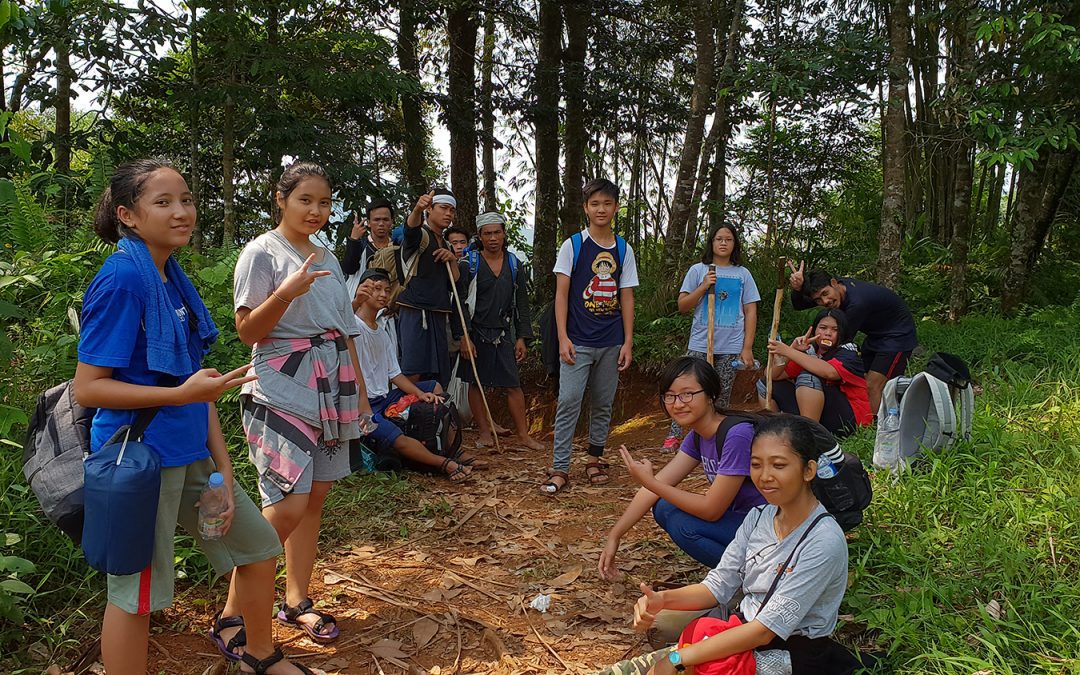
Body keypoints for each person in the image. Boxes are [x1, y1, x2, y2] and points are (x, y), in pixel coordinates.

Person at [74, 159, 318, 675]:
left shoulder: (170, 278)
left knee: (257, 547)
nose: (182, 212)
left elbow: (195, 383)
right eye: (163, 203)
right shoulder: (123, 279)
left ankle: (258, 654)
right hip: (137, 463)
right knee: (137, 592)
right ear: (128, 215)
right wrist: (183, 394)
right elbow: (89, 387)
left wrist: (223, 467)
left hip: (191, 456)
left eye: (185, 199)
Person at [233, 161, 374, 644]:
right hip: (280, 386)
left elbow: (345, 329)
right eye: (305, 200)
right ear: (281, 199)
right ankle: (235, 613)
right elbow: (249, 330)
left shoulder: (330, 257)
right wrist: (286, 293)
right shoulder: (261, 253)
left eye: (324, 202)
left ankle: (296, 601)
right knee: (287, 502)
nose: (316, 210)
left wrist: (358, 393)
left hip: (332, 388)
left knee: (314, 498)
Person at [600, 415, 853, 675]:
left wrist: (678, 658)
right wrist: (661, 599)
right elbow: (717, 586)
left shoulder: (822, 541)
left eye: (778, 465)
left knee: (675, 664)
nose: (765, 476)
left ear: (808, 470)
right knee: (628, 668)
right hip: (740, 629)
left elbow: (764, 631)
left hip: (788, 651)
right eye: (756, 465)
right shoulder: (759, 517)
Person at [599, 357, 766, 575]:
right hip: (744, 521)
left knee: (684, 525)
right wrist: (615, 535)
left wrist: (649, 482)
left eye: (687, 394)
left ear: (710, 395)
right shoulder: (697, 437)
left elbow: (711, 510)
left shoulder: (736, 434)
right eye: (670, 396)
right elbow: (654, 488)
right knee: (664, 508)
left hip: (772, 529)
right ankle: (740, 573)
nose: (678, 404)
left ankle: (749, 578)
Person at [543, 178, 639, 493]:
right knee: (569, 400)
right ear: (586, 208)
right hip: (577, 340)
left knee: (603, 402)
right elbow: (561, 295)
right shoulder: (573, 245)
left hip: (611, 341)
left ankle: (594, 458)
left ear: (615, 207)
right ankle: (560, 467)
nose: (601, 209)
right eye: (595, 203)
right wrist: (563, 337)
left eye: (607, 203)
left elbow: (626, 297)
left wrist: (628, 340)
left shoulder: (624, 248)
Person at [351, 267, 481, 480]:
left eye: (387, 289)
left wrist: (420, 395)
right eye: (376, 289)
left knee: (434, 390)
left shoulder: (382, 332)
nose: (383, 294)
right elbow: (337, 328)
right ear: (363, 290)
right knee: (398, 439)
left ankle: (452, 450)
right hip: (363, 406)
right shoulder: (352, 325)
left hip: (385, 399)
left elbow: (395, 375)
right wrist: (355, 302)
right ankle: (445, 464)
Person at [664, 224, 760, 451]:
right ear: (712, 242)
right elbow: (683, 306)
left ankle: (716, 438)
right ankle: (675, 435)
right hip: (700, 342)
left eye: (728, 239)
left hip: (731, 345)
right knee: (686, 388)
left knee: (721, 394)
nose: (724, 243)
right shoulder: (699, 270)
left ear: (735, 244)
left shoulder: (743, 274)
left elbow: (750, 311)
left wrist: (747, 347)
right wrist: (704, 286)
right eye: (719, 238)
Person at [458, 211, 545, 451]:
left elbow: (522, 304)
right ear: (480, 236)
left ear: (504, 234)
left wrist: (521, 337)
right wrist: (464, 336)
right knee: (476, 383)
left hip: (504, 332)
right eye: (488, 233)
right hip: (476, 333)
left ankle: (524, 436)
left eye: (497, 232)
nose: (493, 238)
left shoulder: (515, 265)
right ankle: (484, 432)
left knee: (513, 384)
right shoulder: (469, 265)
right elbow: (460, 304)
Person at [788, 262, 917, 416]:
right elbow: (799, 305)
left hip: (897, 336)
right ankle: (881, 412)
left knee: (873, 384)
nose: (825, 302)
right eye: (818, 300)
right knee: (862, 379)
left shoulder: (857, 304)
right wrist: (797, 289)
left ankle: (874, 428)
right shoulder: (835, 290)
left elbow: (840, 341)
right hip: (876, 334)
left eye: (825, 294)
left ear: (834, 283)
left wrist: (814, 359)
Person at [758, 309, 872, 437]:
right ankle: (776, 432)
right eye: (823, 328)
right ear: (814, 330)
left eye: (835, 330)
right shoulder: (810, 351)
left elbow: (830, 372)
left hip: (850, 420)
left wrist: (789, 352)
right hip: (821, 416)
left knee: (809, 376)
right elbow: (772, 375)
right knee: (766, 384)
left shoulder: (849, 351)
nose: (828, 333)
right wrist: (792, 349)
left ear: (842, 333)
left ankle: (811, 436)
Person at [396, 188, 469, 388]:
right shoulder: (421, 235)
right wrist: (417, 209)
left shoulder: (446, 243)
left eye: (452, 210)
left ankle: (432, 418)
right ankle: (405, 415)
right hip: (415, 310)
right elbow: (410, 230)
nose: (448, 214)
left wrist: (452, 259)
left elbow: (454, 282)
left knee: (437, 373)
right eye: (444, 208)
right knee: (413, 371)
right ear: (430, 208)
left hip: (438, 313)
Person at [341, 199, 395, 281]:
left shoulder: (398, 247)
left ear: (391, 222)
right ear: (368, 223)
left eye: (385, 219)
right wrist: (353, 240)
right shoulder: (361, 246)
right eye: (376, 220)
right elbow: (349, 269)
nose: (381, 224)